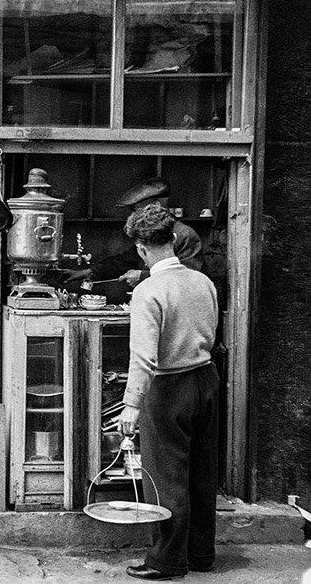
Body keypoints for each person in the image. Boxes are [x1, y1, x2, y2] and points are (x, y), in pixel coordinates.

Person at [117, 205, 219, 580]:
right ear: (174, 240)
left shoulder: (148, 291)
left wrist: (131, 405)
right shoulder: (202, 282)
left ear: (142, 249)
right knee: (201, 473)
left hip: (168, 386)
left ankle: (166, 561)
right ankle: (201, 555)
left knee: (165, 477)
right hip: (206, 378)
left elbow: (143, 357)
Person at [63, 177, 204, 293]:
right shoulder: (150, 233)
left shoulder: (185, 235)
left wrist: (143, 276)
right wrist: (89, 272)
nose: (133, 216)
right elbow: (125, 261)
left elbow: (188, 279)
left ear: (155, 205)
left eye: (136, 210)